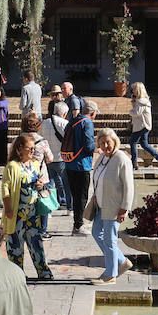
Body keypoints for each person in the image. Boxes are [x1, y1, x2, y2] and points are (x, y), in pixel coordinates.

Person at [2, 133, 53, 281]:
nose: (32, 152)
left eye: (33, 149)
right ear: (19, 149)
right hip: (16, 212)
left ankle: (43, 271)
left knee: (36, 242)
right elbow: (5, 188)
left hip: (33, 212)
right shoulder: (12, 166)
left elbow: (42, 181)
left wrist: (41, 185)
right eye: (29, 149)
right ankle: (17, 275)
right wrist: (8, 209)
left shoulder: (35, 165)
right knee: (15, 244)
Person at [87, 128, 133, 284]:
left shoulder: (122, 159)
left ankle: (110, 275)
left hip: (114, 207)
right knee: (96, 233)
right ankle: (122, 261)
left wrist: (124, 209)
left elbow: (129, 187)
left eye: (108, 142)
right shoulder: (102, 158)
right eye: (102, 143)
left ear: (115, 142)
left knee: (109, 239)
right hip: (101, 205)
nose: (105, 145)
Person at [61, 99, 98, 236]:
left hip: (69, 163)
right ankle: (78, 226)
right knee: (82, 197)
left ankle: (77, 224)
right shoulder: (87, 123)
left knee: (75, 195)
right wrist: (96, 148)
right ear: (93, 113)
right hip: (82, 165)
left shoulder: (73, 120)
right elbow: (89, 145)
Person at [43, 100, 71, 215]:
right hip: (61, 158)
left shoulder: (44, 123)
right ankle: (70, 208)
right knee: (66, 184)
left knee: (49, 184)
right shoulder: (64, 124)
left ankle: (48, 209)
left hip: (48, 158)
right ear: (64, 113)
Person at [127, 81, 158, 168]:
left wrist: (129, 112)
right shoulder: (141, 101)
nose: (133, 91)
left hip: (141, 126)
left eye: (134, 89)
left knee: (133, 143)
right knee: (144, 144)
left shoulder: (141, 101)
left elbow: (136, 113)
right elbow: (136, 110)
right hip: (144, 125)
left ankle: (134, 163)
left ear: (138, 90)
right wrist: (133, 101)